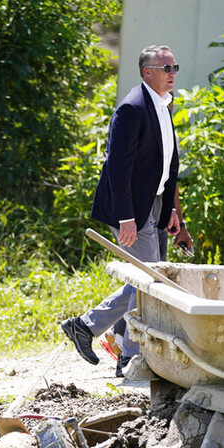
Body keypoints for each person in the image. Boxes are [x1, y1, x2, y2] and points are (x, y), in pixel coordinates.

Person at [61, 45, 183, 378]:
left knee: (149, 280)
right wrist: (125, 217)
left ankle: (94, 332)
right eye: (167, 68)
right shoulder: (131, 108)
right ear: (148, 72)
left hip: (154, 203)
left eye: (175, 67)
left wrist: (171, 209)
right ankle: (123, 353)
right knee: (150, 282)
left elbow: (166, 163)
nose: (173, 73)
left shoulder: (163, 104)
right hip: (131, 208)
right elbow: (117, 167)